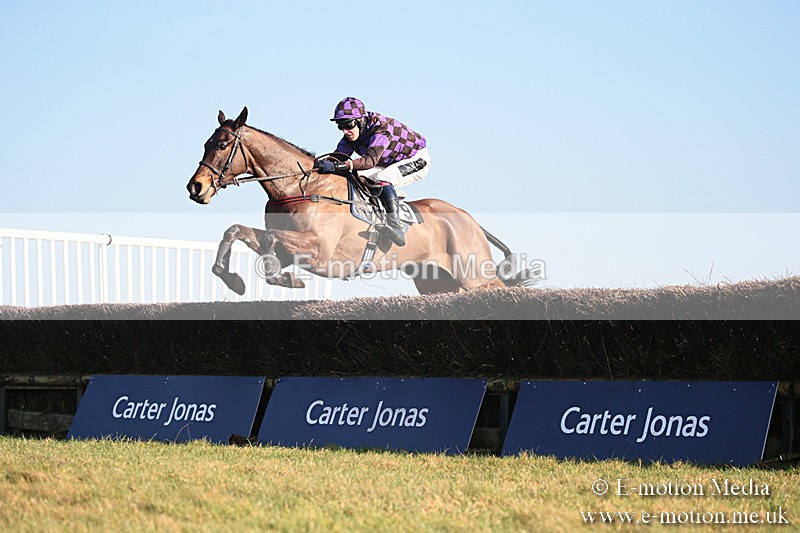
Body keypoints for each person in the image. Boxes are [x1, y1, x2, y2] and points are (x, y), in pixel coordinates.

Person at [315, 97, 430, 247]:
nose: (345, 131)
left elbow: (368, 162)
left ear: (361, 120)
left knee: (384, 177)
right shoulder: (352, 135)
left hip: (416, 159)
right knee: (358, 176)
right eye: (340, 126)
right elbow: (338, 157)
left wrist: (337, 166)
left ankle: (396, 226)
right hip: (387, 161)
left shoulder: (380, 127)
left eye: (348, 125)